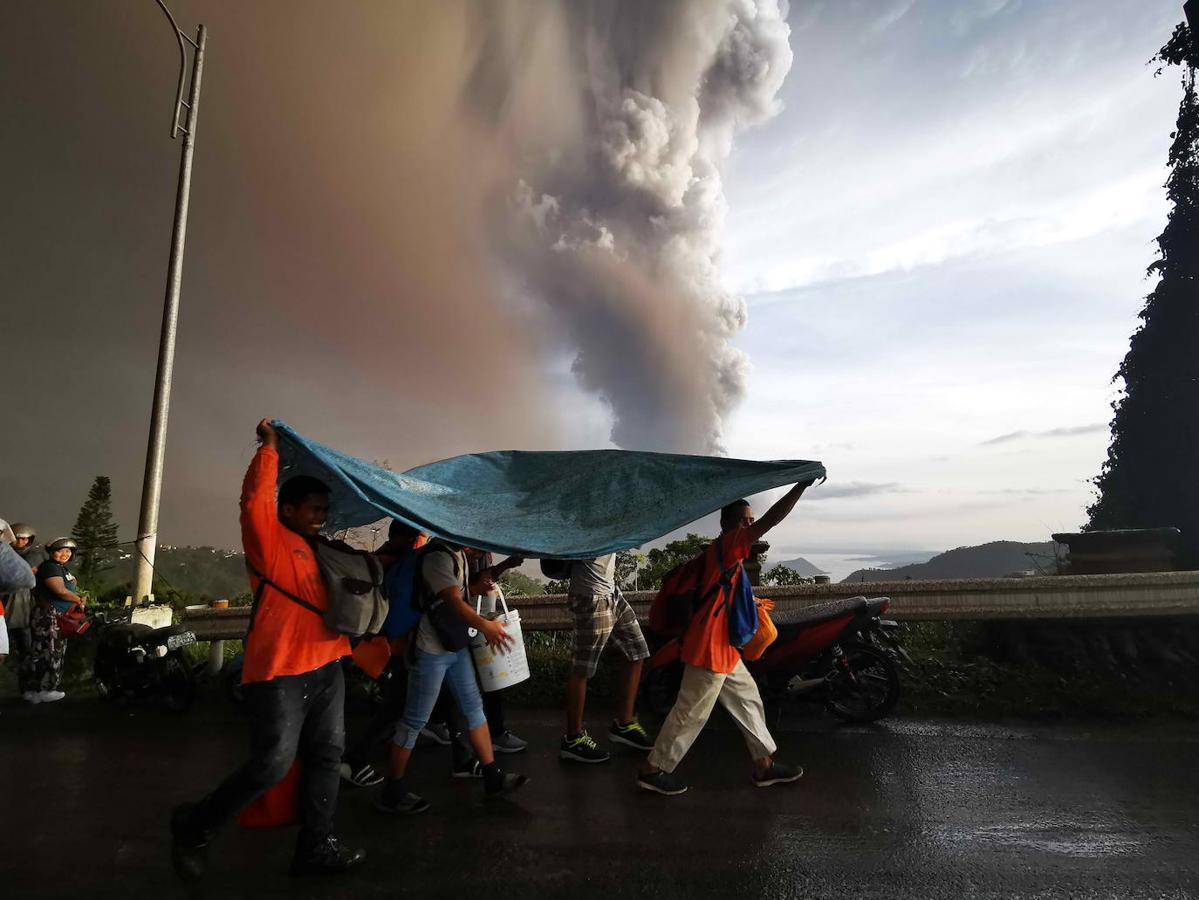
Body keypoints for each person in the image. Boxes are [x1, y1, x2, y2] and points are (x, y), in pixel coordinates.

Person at [170, 419, 365, 880]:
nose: (321, 515)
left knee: (326, 757)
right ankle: (195, 828)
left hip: (328, 664)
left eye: (323, 509)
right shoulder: (270, 542)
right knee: (272, 764)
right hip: (280, 672)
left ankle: (316, 848)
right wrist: (269, 448)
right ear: (289, 509)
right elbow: (254, 501)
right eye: (313, 508)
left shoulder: (322, 550)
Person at [637, 480, 816, 796]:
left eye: (750, 519)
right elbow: (770, 520)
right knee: (691, 710)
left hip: (725, 648)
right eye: (744, 520)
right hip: (710, 649)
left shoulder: (722, 554)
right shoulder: (729, 545)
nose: (749, 524)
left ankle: (764, 766)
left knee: (748, 701)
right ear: (729, 525)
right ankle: (654, 769)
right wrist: (799, 488)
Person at [376, 538, 528, 814]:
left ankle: (492, 775)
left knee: (473, 708)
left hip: (453, 645)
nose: (476, 545)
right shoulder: (437, 558)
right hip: (431, 649)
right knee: (414, 720)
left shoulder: (455, 554)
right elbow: (452, 600)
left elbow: (456, 593)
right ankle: (392, 789)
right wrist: (485, 626)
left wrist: (475, 590)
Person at [560, 554, 653, 763]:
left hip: (612, 592)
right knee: (582, 668)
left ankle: (624, 724)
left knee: (637, 651)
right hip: (591, 596)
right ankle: (573, 739)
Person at [466, 549, 529, 754]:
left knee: (475, 680)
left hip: (478, 618)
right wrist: (506, 565)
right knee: (490, 678)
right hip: (473, 621)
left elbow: (484, 578)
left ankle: (442, 725)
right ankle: (495, 734)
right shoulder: (465, 547)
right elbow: (470, 584)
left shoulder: (479, 547)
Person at [22, 536, 83, 704]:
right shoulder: (50, 568)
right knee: (50, 651)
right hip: (50, 617)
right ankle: (46, 689)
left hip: (50, 615)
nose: (65, 554)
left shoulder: (59, 568)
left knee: (41, 651)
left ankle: (33, 691)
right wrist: (78, 599)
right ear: (51, 552)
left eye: (68, 551)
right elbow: (60, 590)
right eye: (60, 550)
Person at [4, 523, 44, 678]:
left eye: (25, 539)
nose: (21, 542)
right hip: (7, 601)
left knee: (27, 646)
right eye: (18, 538)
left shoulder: (35, 555)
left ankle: (27, 679)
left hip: (25, 603)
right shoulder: (6, 554)